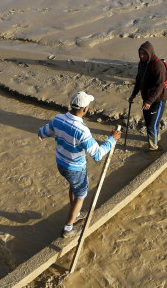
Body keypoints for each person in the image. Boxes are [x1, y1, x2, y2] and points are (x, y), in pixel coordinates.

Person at [38, 91, 121, 239]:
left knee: (73, 185)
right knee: (81, 195)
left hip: (61, 164)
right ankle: (68, 228)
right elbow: (97, 155)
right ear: (85, 109)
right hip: (75, 168)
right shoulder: (82, 131)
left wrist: (41, 134)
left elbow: (45, 131)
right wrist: (112, 140)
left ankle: (75, 213)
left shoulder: (58, 119)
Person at [128, 41, 167, 151]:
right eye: (140, 53)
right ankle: (156, 138)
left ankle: (154, 148)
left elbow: (160, 86)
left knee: (151, 125)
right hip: (146, 99)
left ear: (150, 53)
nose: (142, 56)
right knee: (149, 123)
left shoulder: (158, 65)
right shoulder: (141, 64)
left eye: (144, 54)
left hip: (158, 100)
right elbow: (138, 81)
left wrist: (149, 101)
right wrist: (133, 95)